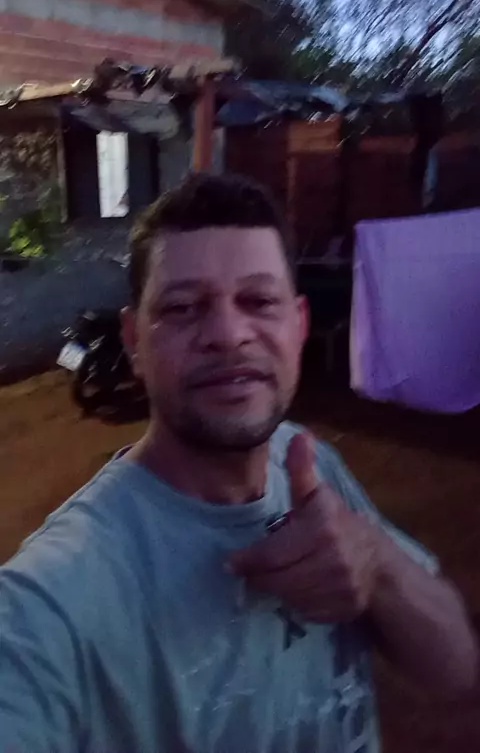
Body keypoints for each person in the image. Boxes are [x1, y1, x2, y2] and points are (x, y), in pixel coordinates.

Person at [0, 172, 477, 753]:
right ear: (133, 342)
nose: (228, 334)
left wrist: (377, 562)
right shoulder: (57, 597)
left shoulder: (311, 467)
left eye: (259, 301)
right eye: (182, 307)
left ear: (299, 325)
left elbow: (455, 667)